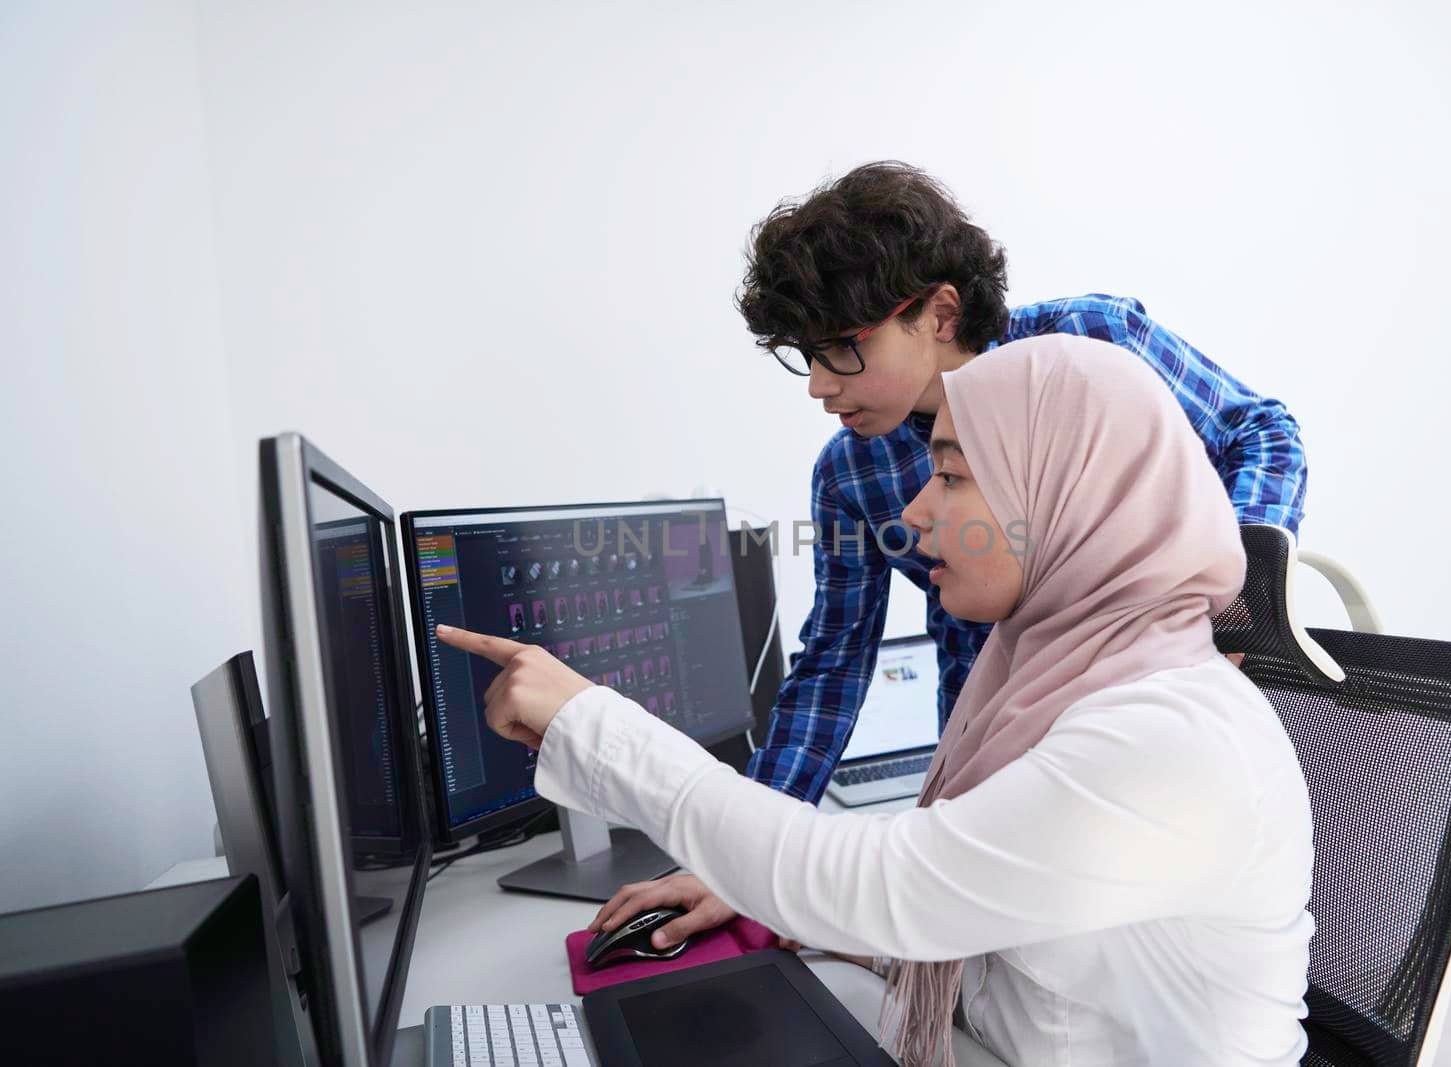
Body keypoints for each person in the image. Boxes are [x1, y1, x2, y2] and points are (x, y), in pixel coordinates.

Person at [438, 336, 1315, 1066]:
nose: (914, 513)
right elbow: (1009, 962)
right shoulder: (1053, 678)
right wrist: (779, 902)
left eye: (955, 476)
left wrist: (590, 720)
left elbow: (882, 884)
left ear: (1067, 501)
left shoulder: (1168, 740)